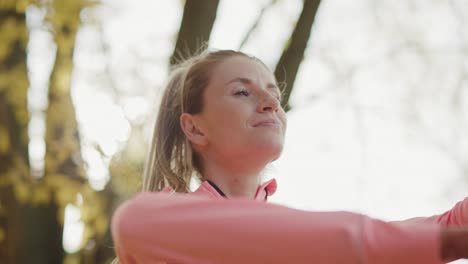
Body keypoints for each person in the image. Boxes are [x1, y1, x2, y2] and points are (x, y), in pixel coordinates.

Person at [111, 49, 468, 263]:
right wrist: (442, 243)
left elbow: (449, 225)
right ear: (195, 128)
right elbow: (132, 221)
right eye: (241, 92)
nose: (271, 103)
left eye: (274, 93)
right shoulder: (155, 226)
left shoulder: (302, 239)